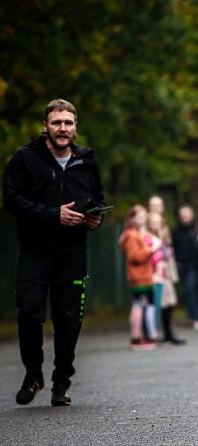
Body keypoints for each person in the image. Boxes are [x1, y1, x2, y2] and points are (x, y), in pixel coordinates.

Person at [3, 99, 105, 406]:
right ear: (45, 126)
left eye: (68, 123)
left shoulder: (87, 161)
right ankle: (33, 374)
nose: (63, 128)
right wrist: (52, 214)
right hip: (35, 251)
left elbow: (97, 198)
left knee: (68, 319)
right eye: (57, 122)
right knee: (30, 312)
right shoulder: (25, 158)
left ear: (76, 127)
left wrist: (96, 218)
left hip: (72, 252)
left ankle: (62, 382)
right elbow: (11, 200)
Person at [119, 205, 158, 351]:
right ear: (132, 219)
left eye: (144, 217)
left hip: (144, 277)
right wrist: (150, 250)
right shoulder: (132, 235)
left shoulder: (135, 234)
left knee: (143, 306)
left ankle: (143, 336)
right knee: (138, 306)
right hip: (139, 277)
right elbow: (134, 256)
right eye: (140, 217)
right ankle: (136, 338)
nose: (143, 219)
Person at [147, 211, 185, 345]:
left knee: (169, 303)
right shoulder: (148, 238)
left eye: (159, 223)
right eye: (154, 222)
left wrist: (173, 275)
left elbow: (169, 257)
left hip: (165, 275)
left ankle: (168, 333)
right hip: (154, 276)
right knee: (156, 306)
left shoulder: (164, 237)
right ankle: (152, 334)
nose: (156, 225)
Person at [172, 204, 198, 330]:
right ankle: (191, 316)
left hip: (193, 265)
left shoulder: (197, 230)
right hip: (181, 264)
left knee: (191, 288)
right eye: (183, 214)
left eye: (187, 214)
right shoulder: (175, 232)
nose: (185, 217)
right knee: (186, 291)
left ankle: (195, 317)